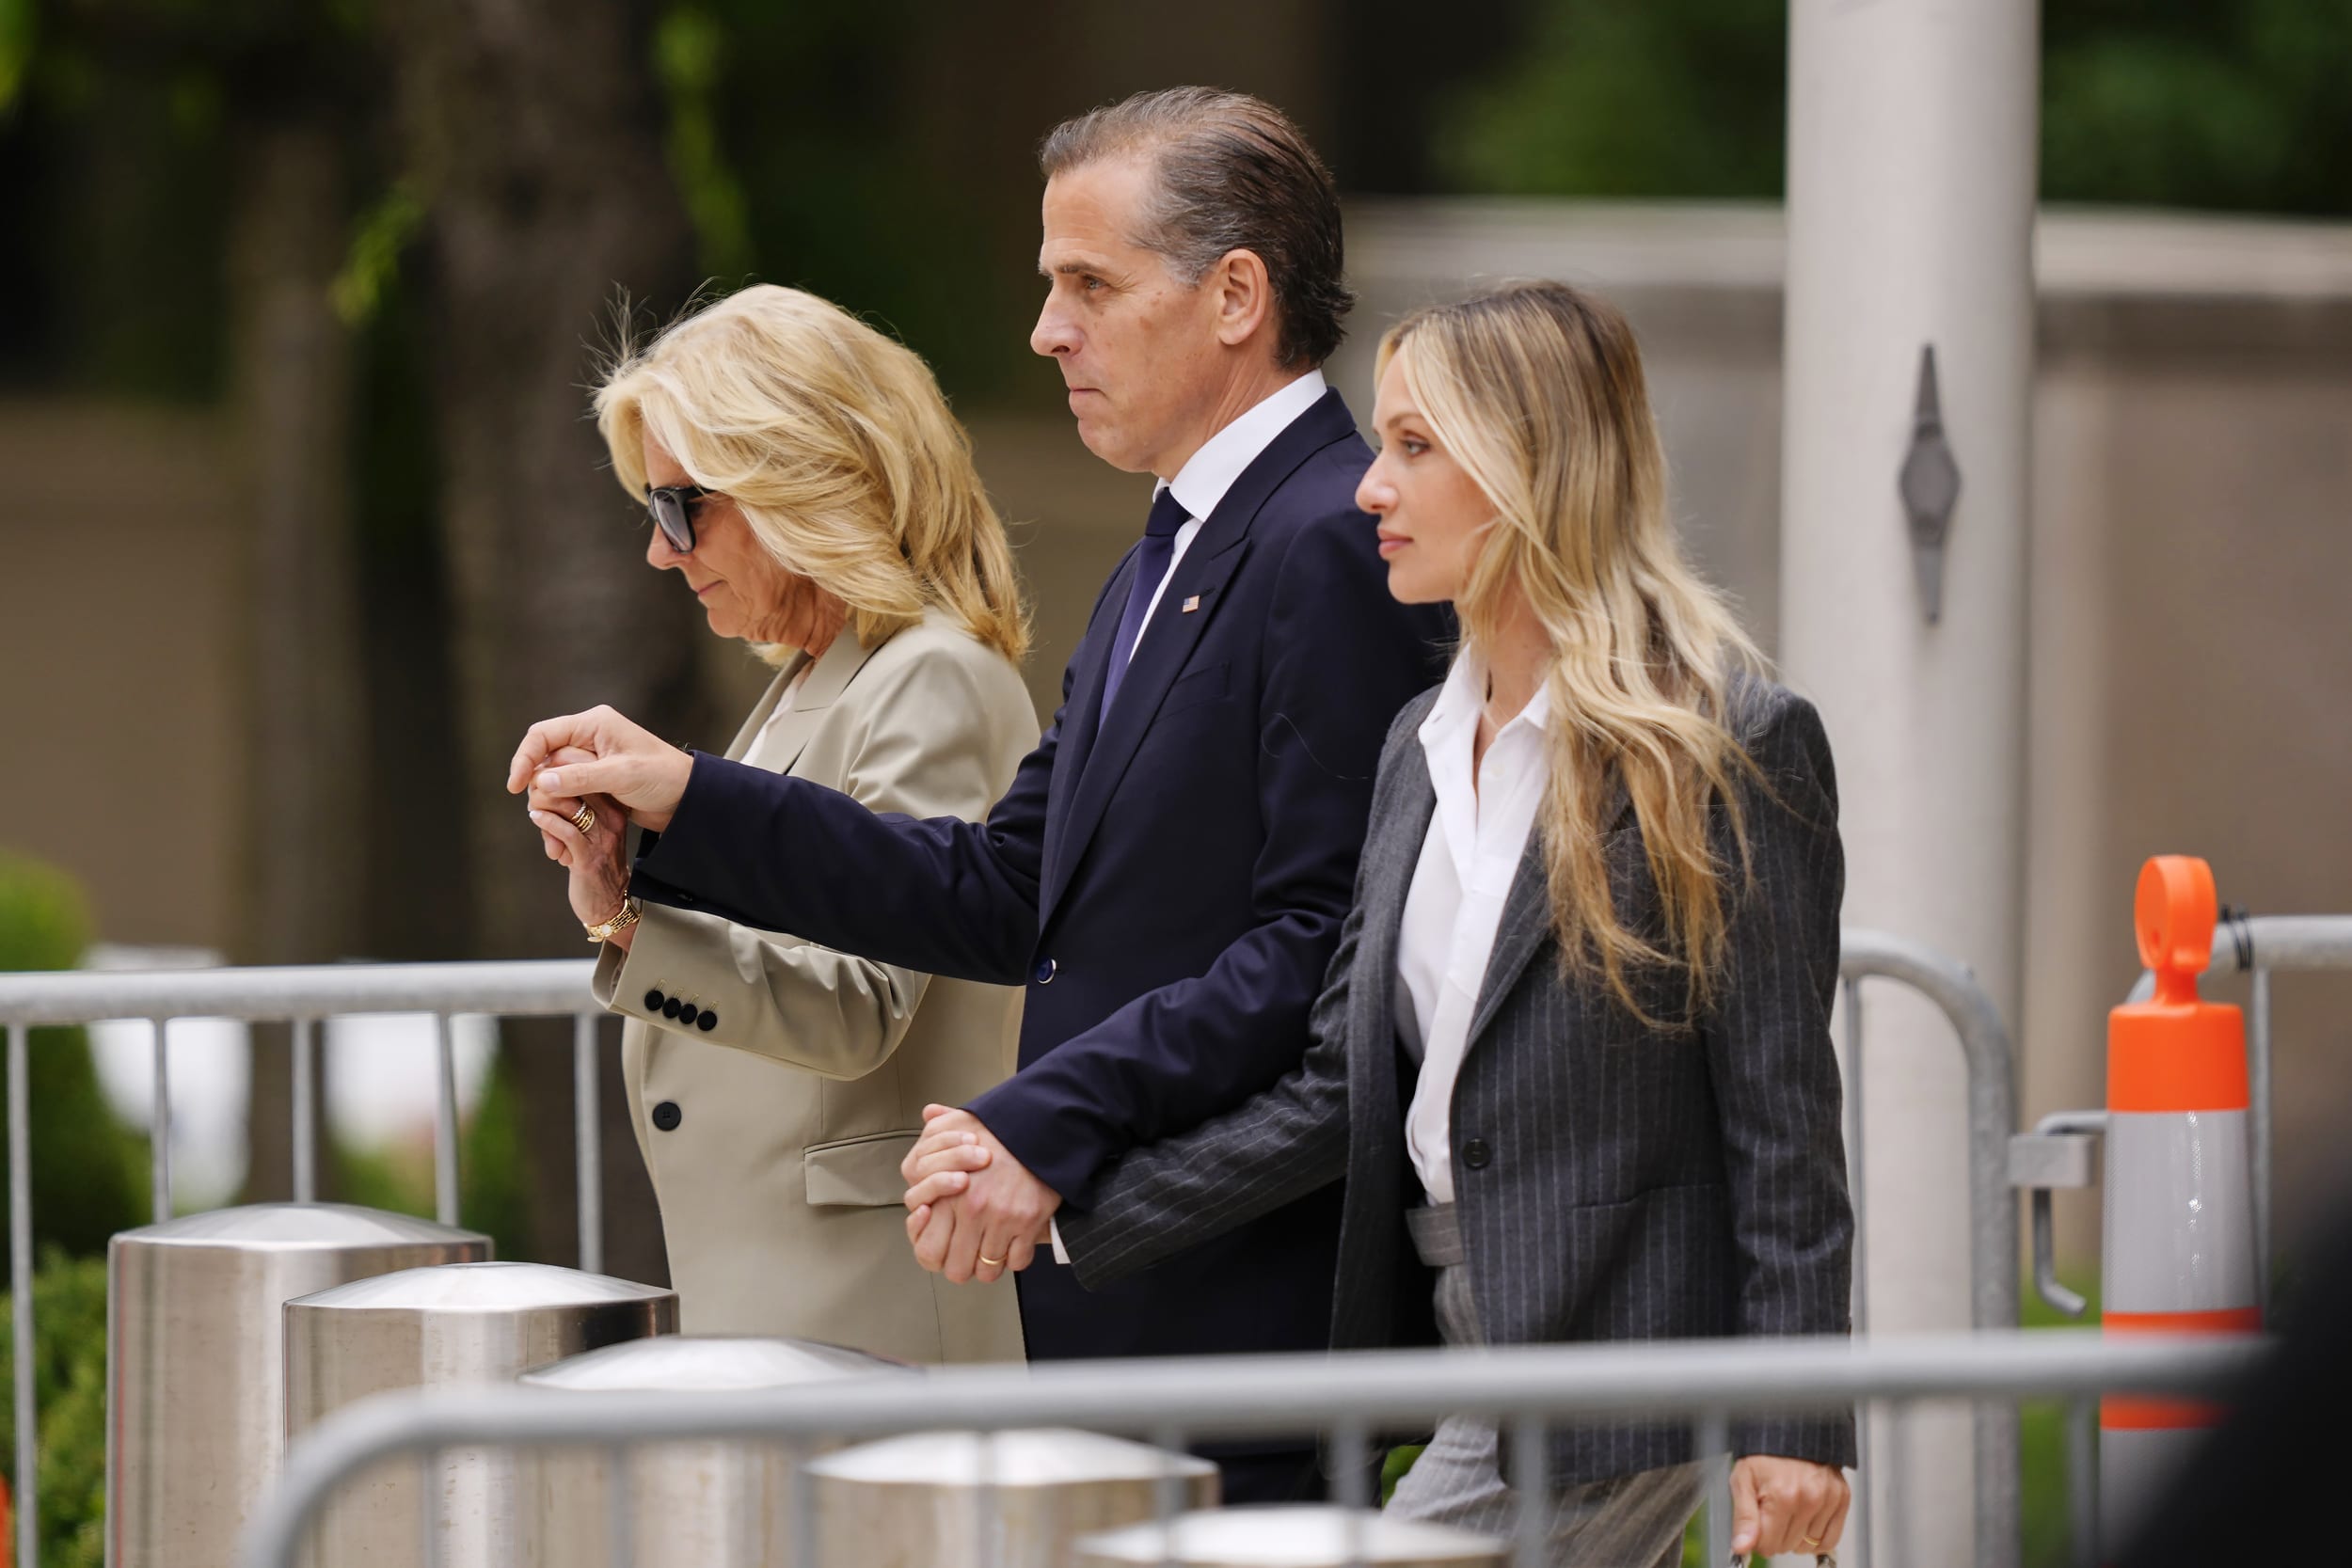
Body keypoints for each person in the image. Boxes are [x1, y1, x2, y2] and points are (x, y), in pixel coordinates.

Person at [509, 87, 1448, 1501]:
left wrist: (1042, 1119)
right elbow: (999, 891)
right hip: (1128, 1302)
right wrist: (684, 805)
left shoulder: (1328, 532)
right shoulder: (1170, 552)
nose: (1045, 330)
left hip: (1227, 1311)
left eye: (1087, 284)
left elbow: (1316, 946)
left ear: (1237, 295)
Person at [907, 280, 1856, 1563]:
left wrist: (1795, 1418)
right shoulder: (1419, 744)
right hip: (1463, 1336)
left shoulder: (1726, 744)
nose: (1369, 487)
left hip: (1610, 1365)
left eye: (1416, 448)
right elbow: (1334, 1087)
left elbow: (1782, 1114)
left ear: (1533, 470)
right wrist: (1072, 1205)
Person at [523, 283, 1036, 1364]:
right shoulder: (828, 674)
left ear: (805, 484)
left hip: (871, 1307)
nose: (661, 553)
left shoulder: (932, 675)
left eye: (680, 507)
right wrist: (622, 910)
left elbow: (858, 1008)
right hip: (804, 1296)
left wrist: (643, 923)